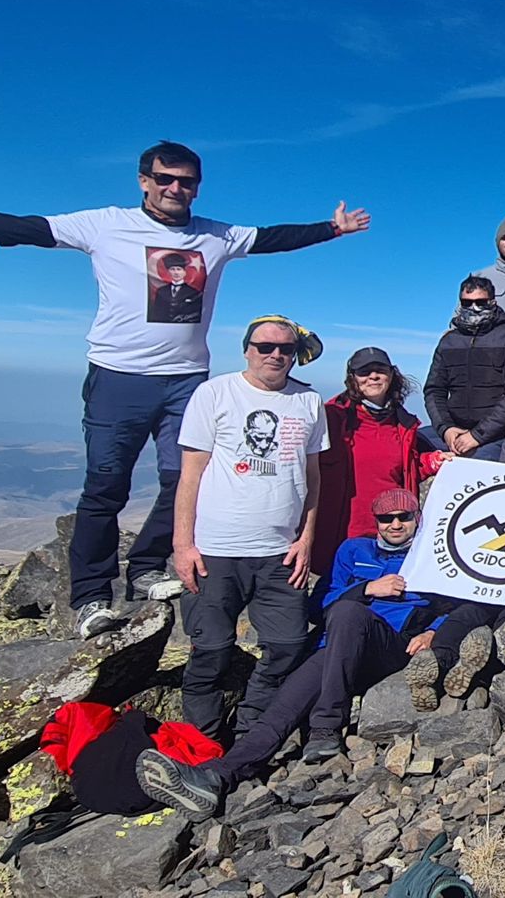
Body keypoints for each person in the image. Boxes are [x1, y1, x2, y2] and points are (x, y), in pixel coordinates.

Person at [0, 142, 369, 635]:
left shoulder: (215, 234)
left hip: (185, 381)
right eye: (164, 178)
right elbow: (13, 229)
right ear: (143, 179)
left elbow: (274, 238)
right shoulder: (103, 225)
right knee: (105, 485)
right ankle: (89, 596)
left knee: (184, 478)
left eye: (186, 181)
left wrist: (332, 228)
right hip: (117, 378)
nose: (175, 188)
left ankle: (148, 569)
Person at [134, 487, 505, 814]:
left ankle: (326, 727)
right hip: (336, 650)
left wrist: (433, 632)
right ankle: (217, 777)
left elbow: (466, 603)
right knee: (281, 710)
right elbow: (318, 607)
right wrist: (367, 589)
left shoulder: (435, 555)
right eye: (386, 518)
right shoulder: (353, 550)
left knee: (348, 614)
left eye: (404, 517)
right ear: (375, 521)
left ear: (417, 518)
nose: (395, 524)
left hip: (390, 648)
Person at [172, 316, 328, 739]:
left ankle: (248, 732)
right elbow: (190, 474)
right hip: (216, 549)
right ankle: (203, 742)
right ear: (247, 349)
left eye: (285, 349)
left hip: (280, 552)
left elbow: (312, 477)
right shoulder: (215, 394)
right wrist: (182, 544)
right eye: (265, 346)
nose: (275, 355)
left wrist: (307, 537)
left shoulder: (309, 402)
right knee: (211, 648)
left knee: (288, 644)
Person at [315, 347, 441, 576]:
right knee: (340, 604)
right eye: (364, 372)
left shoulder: (403, 423)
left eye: (380, 370)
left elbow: (404, 467)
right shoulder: (331, 418)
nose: (373, 376)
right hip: (342, 534)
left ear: (392, 375)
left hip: (390, 530)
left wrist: (433, 461)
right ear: (352, 378)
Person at [424, 275, 505, 461]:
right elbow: (434, 390)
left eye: (480, 302)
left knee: (473, 468)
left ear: (492, 302)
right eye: (467, 303)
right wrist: (446, 429)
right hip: (453, 430)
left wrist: (477, 435)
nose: (474, 308)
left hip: (496, 435)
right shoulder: (449, 341)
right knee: (409, 444)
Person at [151, 252, 203, 323]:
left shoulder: (193, 292)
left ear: (184, 272)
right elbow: (156, 313)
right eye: (173, 269)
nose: (176, 272)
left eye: (179, 269)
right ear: (168, 272)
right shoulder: (161, 291)